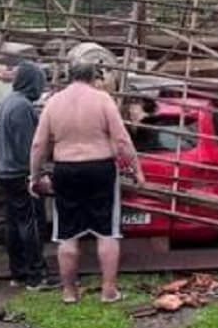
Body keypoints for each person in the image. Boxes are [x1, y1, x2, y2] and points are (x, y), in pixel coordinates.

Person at [29, 60, 145, 304]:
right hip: (100, 167)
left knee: (67, 234)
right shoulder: (102, 100)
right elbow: (122, 140)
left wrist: (35, 175)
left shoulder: (53, 102)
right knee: (107, 232)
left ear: (70, 77)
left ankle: (69, 292)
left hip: (66, 169)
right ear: (93, 77)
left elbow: (39, 144)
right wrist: (137, 170)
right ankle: (108, 290)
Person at [0, 61, 51, 289]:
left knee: (14, 223)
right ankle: (36, 276)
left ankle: (17, 273)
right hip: (19, 173)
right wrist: (36, 174)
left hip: (5, 170)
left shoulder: (9, 102)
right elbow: (27, 146)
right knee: (31, 223)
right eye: (39, 83)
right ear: (31, 82)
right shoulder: (22, 107)